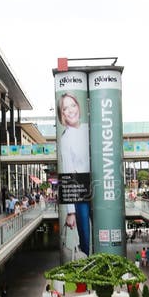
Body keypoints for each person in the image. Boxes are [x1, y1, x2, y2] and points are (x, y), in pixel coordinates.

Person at [57, 92, 91, 257]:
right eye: (65, 108)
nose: (70, 110)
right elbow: (68, 173)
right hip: (81, 192)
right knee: (85, 240)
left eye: (73, 105)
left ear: (78, 106)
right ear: (62, 114)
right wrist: (71, 212)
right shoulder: (66, 138)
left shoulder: (88, 129)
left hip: (98, 185)